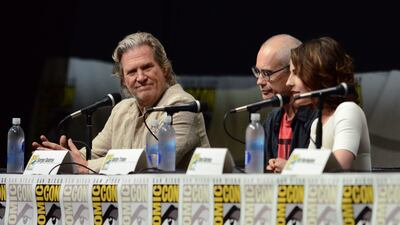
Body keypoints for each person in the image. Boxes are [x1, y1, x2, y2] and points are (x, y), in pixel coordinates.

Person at [33, 32, 210, 173]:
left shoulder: (182, 105)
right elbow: (94, 153)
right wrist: (65, 158)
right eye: (132, 72)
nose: (140, 77)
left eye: (147, 67)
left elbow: (153, 162)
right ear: (124, 80)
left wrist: (86, 166)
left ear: (164, 69)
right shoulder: (122, 110)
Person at [285, 36, 371, 172]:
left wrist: (290, 165)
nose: (288, 82)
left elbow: (341, 164)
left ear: (317, 74)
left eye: (296, 73)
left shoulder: (348, 110)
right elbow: (311, 173)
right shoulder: (316, 123)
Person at [252, 34, 317, 172]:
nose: (259, 81)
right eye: (258, 72)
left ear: (294, 70)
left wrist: (289, 168)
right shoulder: (272, 120)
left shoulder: (317, 118)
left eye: (267, 73)